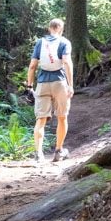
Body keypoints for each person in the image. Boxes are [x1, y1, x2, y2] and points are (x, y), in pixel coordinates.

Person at [26, 17, 74, 163]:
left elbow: (33, 65)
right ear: (61, 29)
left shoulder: (40, 42)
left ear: (49, 28)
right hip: (60, 82)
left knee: (40, 119)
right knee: (62, 116)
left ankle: (38, 154)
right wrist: (70, 85)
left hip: (42, 82)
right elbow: (66, 62)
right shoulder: (64, 42)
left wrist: (29, 86)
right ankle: (59, 151)